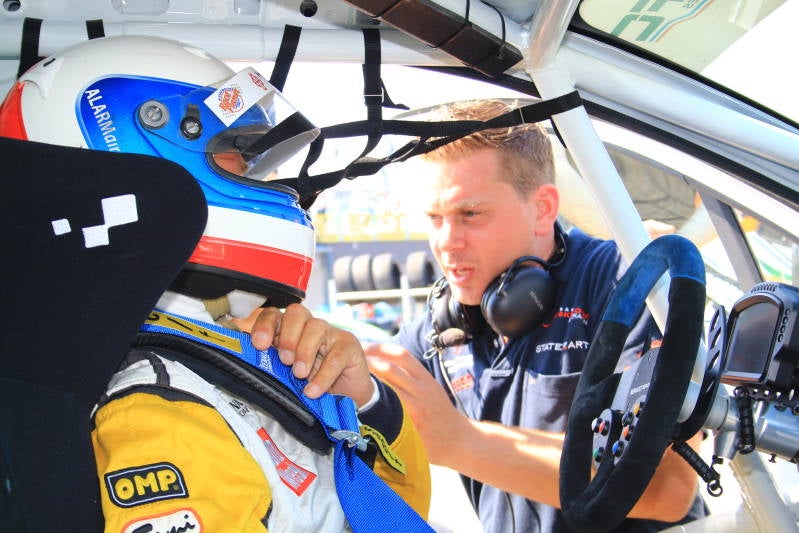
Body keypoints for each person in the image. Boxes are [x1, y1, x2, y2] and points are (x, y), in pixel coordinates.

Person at [0, 35, 431, 531]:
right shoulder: (162, 410)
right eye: (232, 155)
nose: (256, 179)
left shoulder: (217, 360)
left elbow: (396, 518)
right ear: (133, 152)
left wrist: (366, 406)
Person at [252, 99, 707, 532]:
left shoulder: (630, 285)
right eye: (435, 218)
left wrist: (461, 442)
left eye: (470, 213)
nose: (447, 242)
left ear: (543, 209)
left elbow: (669, 488)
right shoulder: (441, 325)